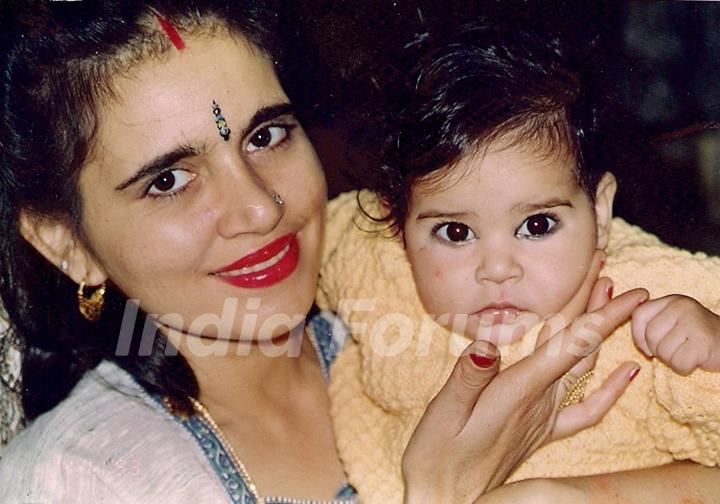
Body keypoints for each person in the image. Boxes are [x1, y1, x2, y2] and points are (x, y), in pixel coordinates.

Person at [0, 2, 650, 502]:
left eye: (268, 134)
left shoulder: (421, 303)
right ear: (65, 244)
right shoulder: (77, 480)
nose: (261, 207)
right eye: (168, 180)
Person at [317, 20, 720, 503]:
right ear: (399, 228)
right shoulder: (377, 263)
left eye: (537, 226)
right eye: (456, 233)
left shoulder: (647, 302)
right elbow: (320, 239)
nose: (498, 268)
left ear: (600, 211)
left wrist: (712, 345)